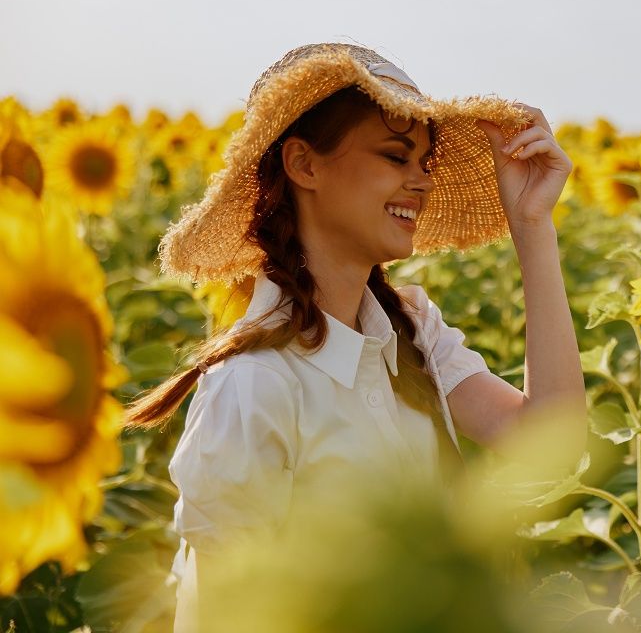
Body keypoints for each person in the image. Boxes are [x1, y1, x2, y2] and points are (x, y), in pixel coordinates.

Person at [122, 43, 587, 632]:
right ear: (304, 165)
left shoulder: (413, 331)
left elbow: (552, 445)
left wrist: (532, 226)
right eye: (396, 156)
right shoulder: (255, 384)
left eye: (425, 162)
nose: (420, 181)